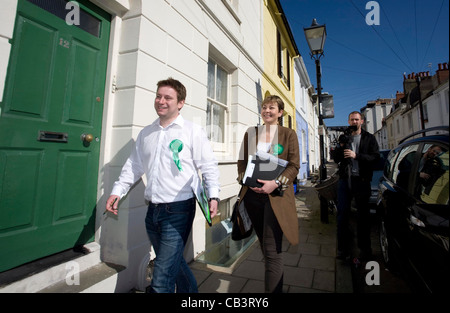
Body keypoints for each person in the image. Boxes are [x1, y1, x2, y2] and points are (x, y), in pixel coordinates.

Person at [105, 78, 220, 293]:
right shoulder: (146, 133)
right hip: (153, 210)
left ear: (180, 103)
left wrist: (213, 196)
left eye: (168, 97)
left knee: (161, 279)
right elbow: (133, 167)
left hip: (179, 209)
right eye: (158, 96)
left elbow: (209, 166)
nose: (161, 101)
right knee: (174, 266)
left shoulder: (192, 131)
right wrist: (117, 192)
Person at [237, 95, 300, 293]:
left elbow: (294, 166)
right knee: (265, 246)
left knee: (272, 251)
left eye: (272, 107)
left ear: (280, 112)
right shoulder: (251, 133)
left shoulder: (289, 135)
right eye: (264, 107)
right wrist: (244, 179)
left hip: (276, 198)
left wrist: (275, 183)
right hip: (252, 198)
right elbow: (242, 162)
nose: (267, 111)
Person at [333, 111, 379, 261]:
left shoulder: (369, 138)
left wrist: (356, 156)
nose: (354, 122)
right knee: (342, 215)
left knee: (363, 217)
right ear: (348, 121)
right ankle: (342, 250)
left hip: (362, 181)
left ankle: (365, 251)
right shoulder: (345, 137)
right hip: (345, 180)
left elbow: (375, 158)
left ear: (362, 121)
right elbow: (336, 159)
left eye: (357, 119)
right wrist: (340, 146)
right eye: (352, 119)